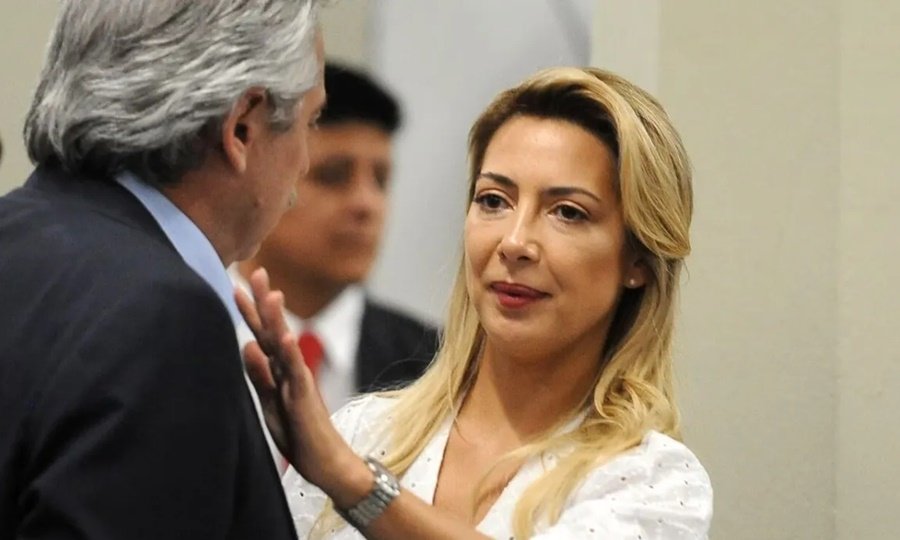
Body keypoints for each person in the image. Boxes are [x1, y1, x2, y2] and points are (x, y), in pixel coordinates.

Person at [239, 66, 713, 539]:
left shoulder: (655, 481)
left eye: (568, 212)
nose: (514, 242)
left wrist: (352, 482)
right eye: (493, 201)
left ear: (638, 260)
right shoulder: (362, 431)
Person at [0, 1, 325, 538]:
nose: (306, 161)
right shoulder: (164, 318)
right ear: (242, 127)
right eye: (311, 122)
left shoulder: (15, 236)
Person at [234, 63, 438, 414]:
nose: (366, 204)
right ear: (260, 175)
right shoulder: (184, 332)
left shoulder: (434, 366)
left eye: (381, 180)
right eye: (332, 176)